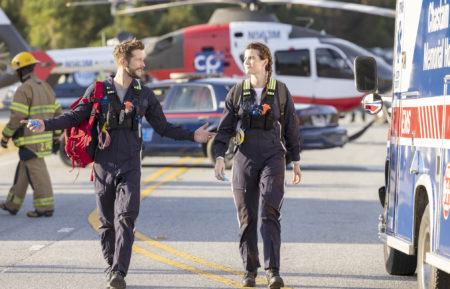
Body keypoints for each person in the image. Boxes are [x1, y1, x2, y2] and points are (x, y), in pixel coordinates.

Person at [23, 39, 215, 289]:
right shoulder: (98, 90)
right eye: (139, 59)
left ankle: (119, 272)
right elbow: (75, 116)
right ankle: (112, 263)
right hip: (104, 165)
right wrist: (45, 124)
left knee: (126, 218)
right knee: (106, 223)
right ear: (124, 62)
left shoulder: (144, 93)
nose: (143, 64)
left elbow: (163, 127)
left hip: (131, 165)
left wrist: (193, 136)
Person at [213, 42, 302, 289]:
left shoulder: (281, 91)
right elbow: (225, 128)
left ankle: (273, 270)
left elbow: (292, 129)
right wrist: (220, 156)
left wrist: (295, 161)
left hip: (274, 157)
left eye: (252, 57)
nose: (247, 62)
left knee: (268, 214)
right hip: (244, 158)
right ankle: (249, 270)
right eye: (245, 58)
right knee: (247, 216)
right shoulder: (237, 92)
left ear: (265, 61)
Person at [0, 52, 62, 218]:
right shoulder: (45, 86)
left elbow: (16, 117)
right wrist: (57, 135)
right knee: (24, 168)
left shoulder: (24, 89)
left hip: (29, 139)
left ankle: (45, 207)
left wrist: (5, 136)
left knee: (37, 171)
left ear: (21, 72)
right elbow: (58, 112)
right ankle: (12, 204)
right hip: (44, 139)